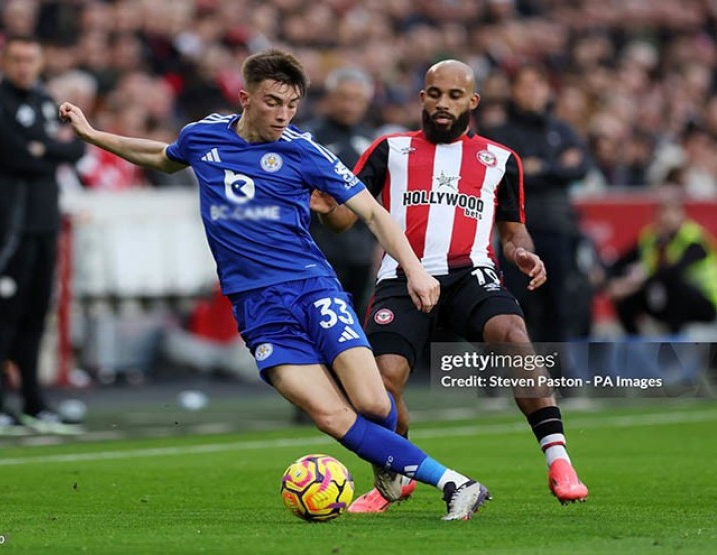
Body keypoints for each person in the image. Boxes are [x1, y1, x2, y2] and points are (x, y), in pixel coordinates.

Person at [59, 48, 490, 520]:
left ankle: (390, 463)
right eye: (272, 103)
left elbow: (371, 211)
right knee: (329, 416)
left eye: (292, 104)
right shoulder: (202, 137)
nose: (283, 115)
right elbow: (161, 158)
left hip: (312, 287)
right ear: (245, 98)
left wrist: (414, 268)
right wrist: (92, 134)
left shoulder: (303, 150)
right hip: (257, 308)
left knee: (370, 400)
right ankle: (456, 484)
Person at [313, 59, 588, 513]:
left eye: (455, 95)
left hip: (470, 273)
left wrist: (522, 252)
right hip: (404, 275)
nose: (443, 103)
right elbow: (346, 219)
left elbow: (513, 228)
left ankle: (559, 460)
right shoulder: (388, 150)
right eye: (435, 93)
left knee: (514, 336)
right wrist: (326, 206)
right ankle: (396, 475)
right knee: (381, 383)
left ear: (472, 101)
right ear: (422, 97)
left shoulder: (500, 159)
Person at [0, 35, 86, 436]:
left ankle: (33, 403)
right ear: (3, 62)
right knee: (3, 315)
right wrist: (46, 149)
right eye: (17, 59)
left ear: (40, 63)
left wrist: (45, 149)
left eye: (31, 59)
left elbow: (77, 148)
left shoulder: (45, 100)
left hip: (44, 223)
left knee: (35, 315)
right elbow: (15, 155)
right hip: (11, 226)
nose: (24, 67)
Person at [482, 63, 592, 342]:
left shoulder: (562, 129)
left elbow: (581, 168)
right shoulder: (500, 132)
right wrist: (555, 168)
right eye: (525, 86)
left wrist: (538, 168)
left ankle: (559, 379)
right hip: (514, 234)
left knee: (559, 308)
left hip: (558, 229)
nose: (532, 92)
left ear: (547, 91)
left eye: (538, 85)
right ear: (513, 91)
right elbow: (506, 173)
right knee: (507, 308)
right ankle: (493, 379)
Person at [302, 67, 378, 317]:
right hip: (317, 246)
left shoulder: (373, 140)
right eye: (344, 97)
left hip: (361, 251)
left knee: (353, 317)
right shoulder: (307, 137)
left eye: (357, 99)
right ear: (329, 98)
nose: (350, 105)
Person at [607, 186, 717, 335]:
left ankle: (675, 343)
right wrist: (610, 281)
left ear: (682, 214)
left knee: (673, 283)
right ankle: (634, 344)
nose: (666, 217)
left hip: (705, 303)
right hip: (666, 298)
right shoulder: (650, 237)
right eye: (661, 211)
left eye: (672, 211)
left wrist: (632, 286)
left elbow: (671, 272)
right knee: (624, 298)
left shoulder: (694, 239)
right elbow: (620, 263)